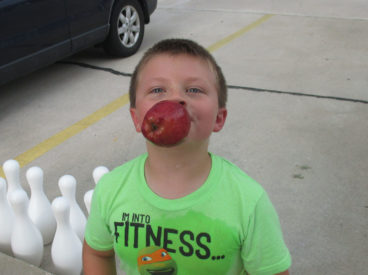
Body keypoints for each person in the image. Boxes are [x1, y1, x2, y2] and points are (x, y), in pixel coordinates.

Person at [83, 38, 291, 275]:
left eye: (194, 90)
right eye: (158, 90)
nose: (175, 99)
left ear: (219, 118)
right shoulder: (111, 189)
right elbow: (97, 252)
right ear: (137, 118)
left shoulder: (249, 202)